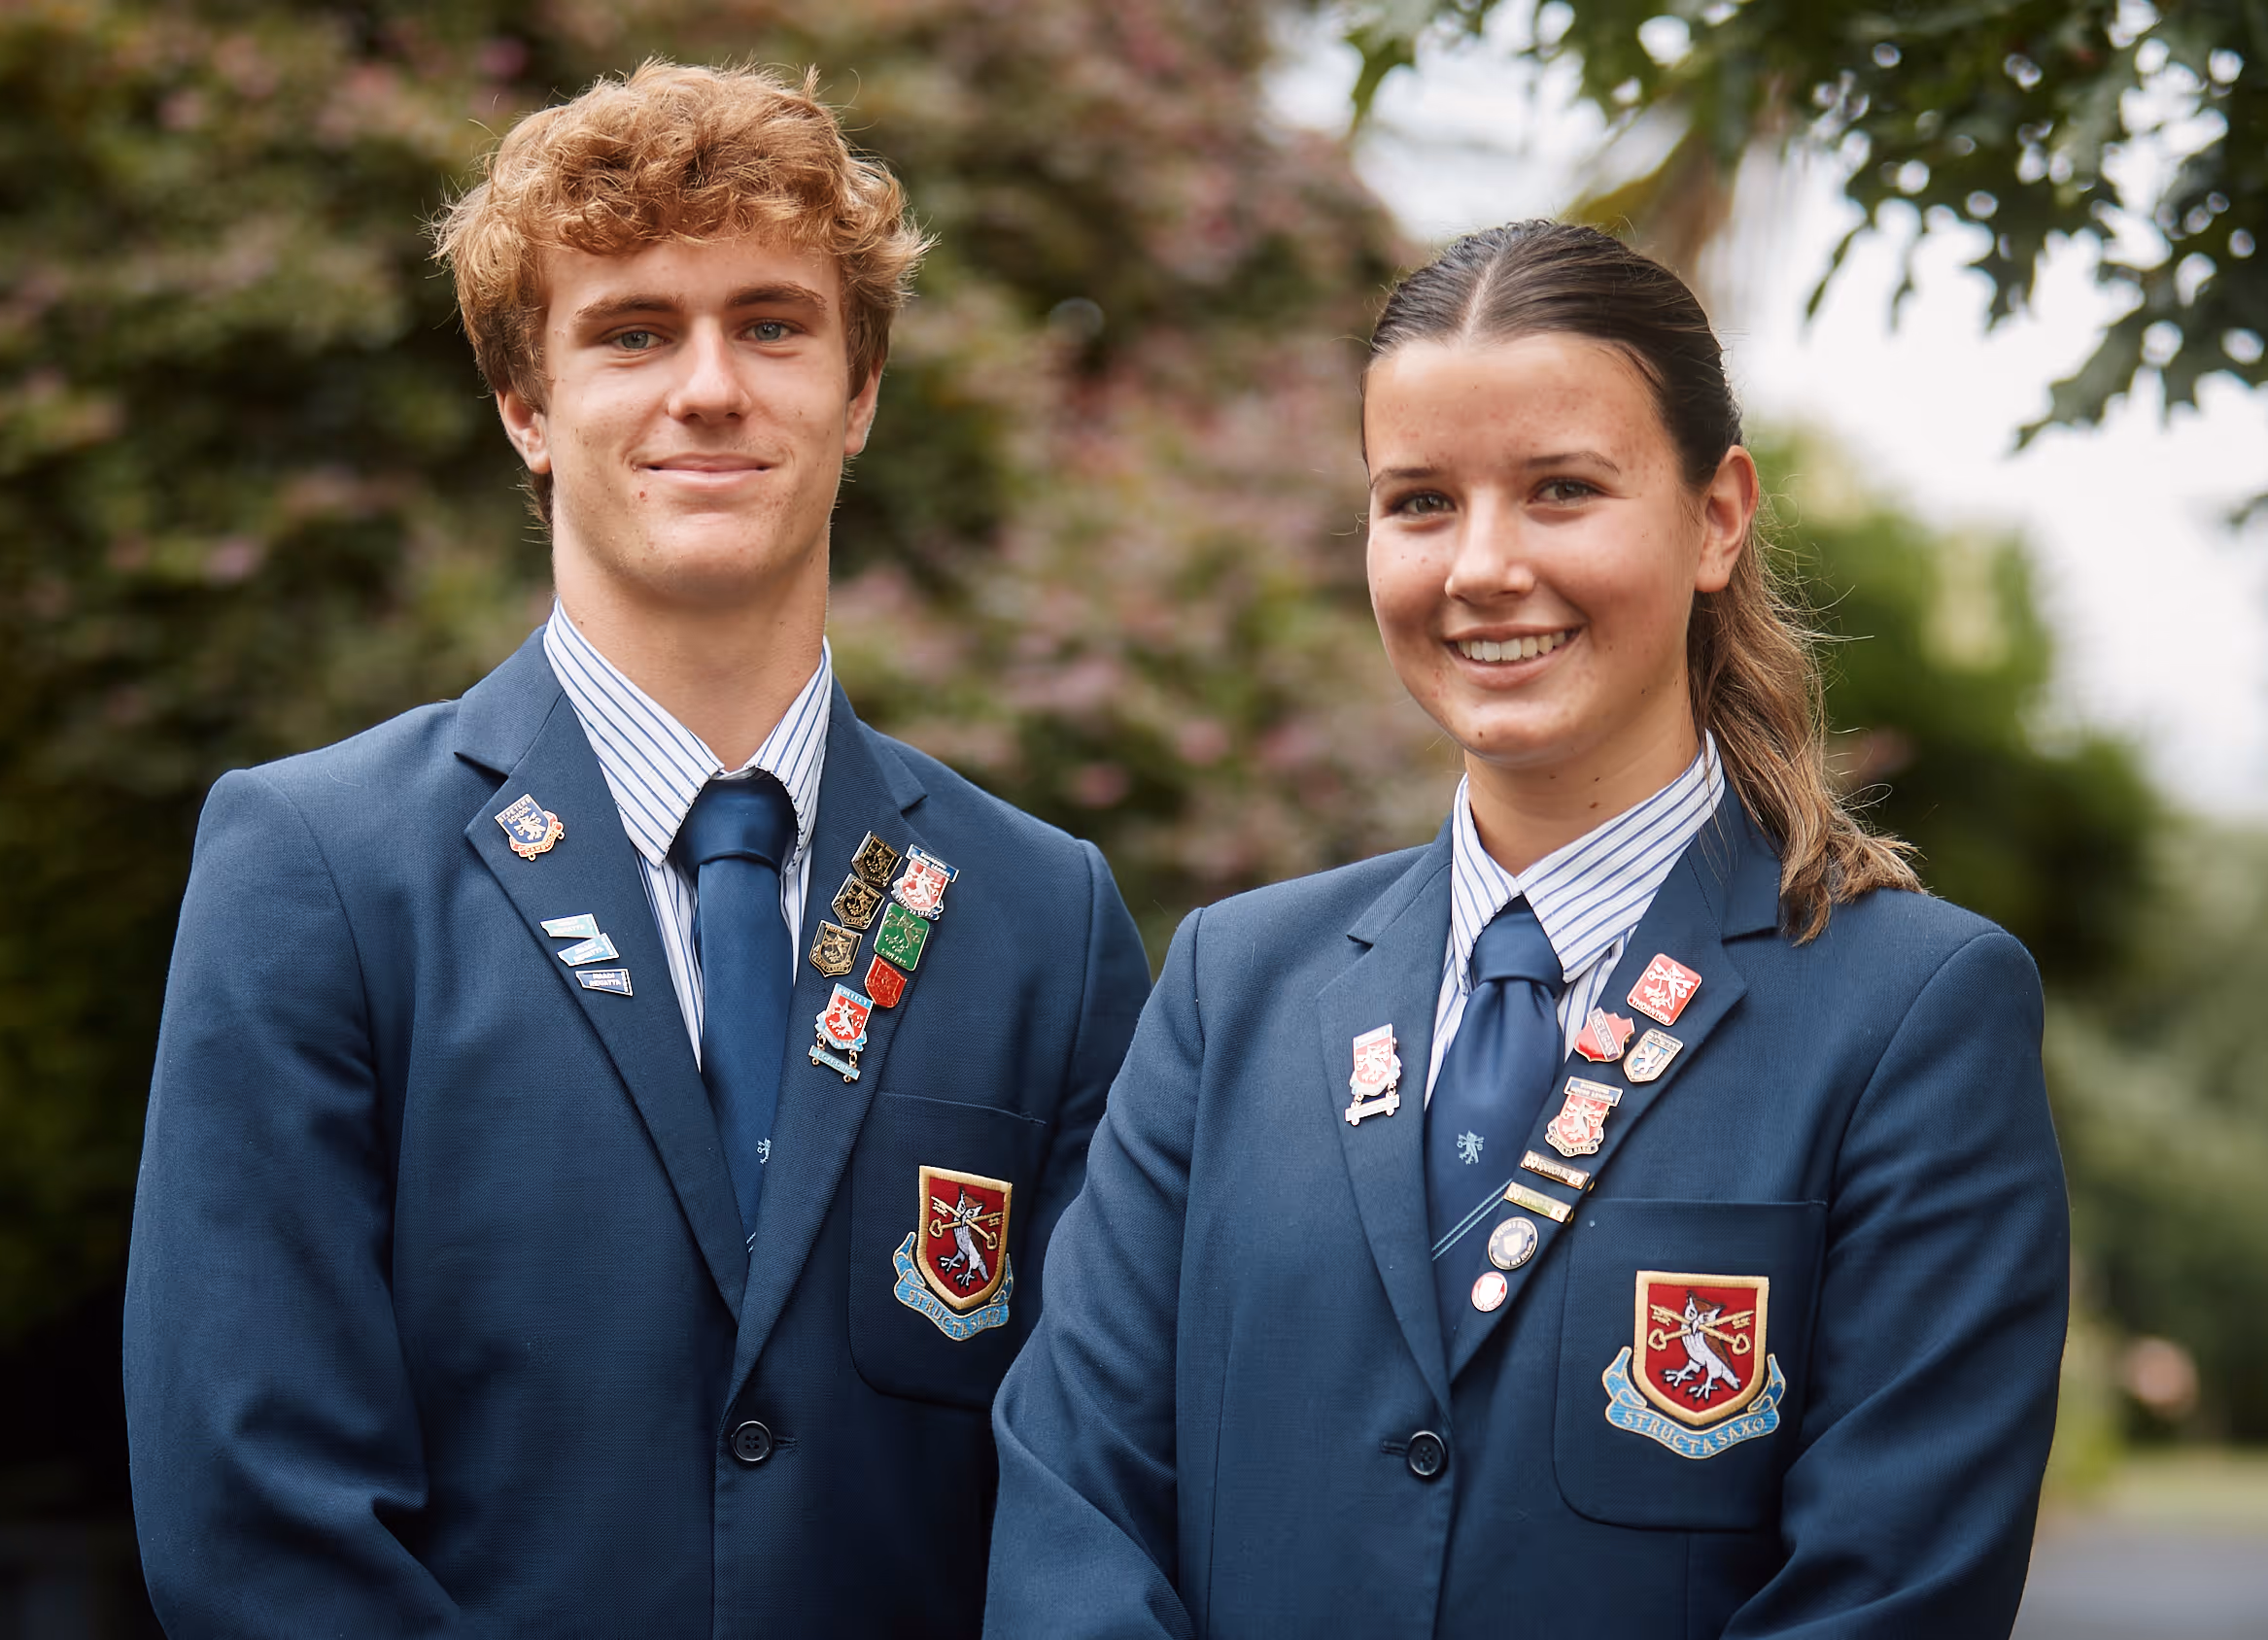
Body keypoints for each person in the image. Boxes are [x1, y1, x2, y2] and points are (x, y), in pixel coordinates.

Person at [123, 61, 1151, 1636]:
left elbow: (1093, 1488)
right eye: (631, 331)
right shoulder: (316, 870)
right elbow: (258, 1507)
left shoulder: (1046, 917)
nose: (710, 387)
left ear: (860, 391)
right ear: (527, 409)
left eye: (772, 323)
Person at [984, 222, 2070, 1637]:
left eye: (1562, 490)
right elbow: (1078, 1499)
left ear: (1717, 515)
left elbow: (1890, 1594)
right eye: (1419, 502)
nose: (1482, 567)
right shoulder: (1232, 985)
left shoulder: (1912, 1015)